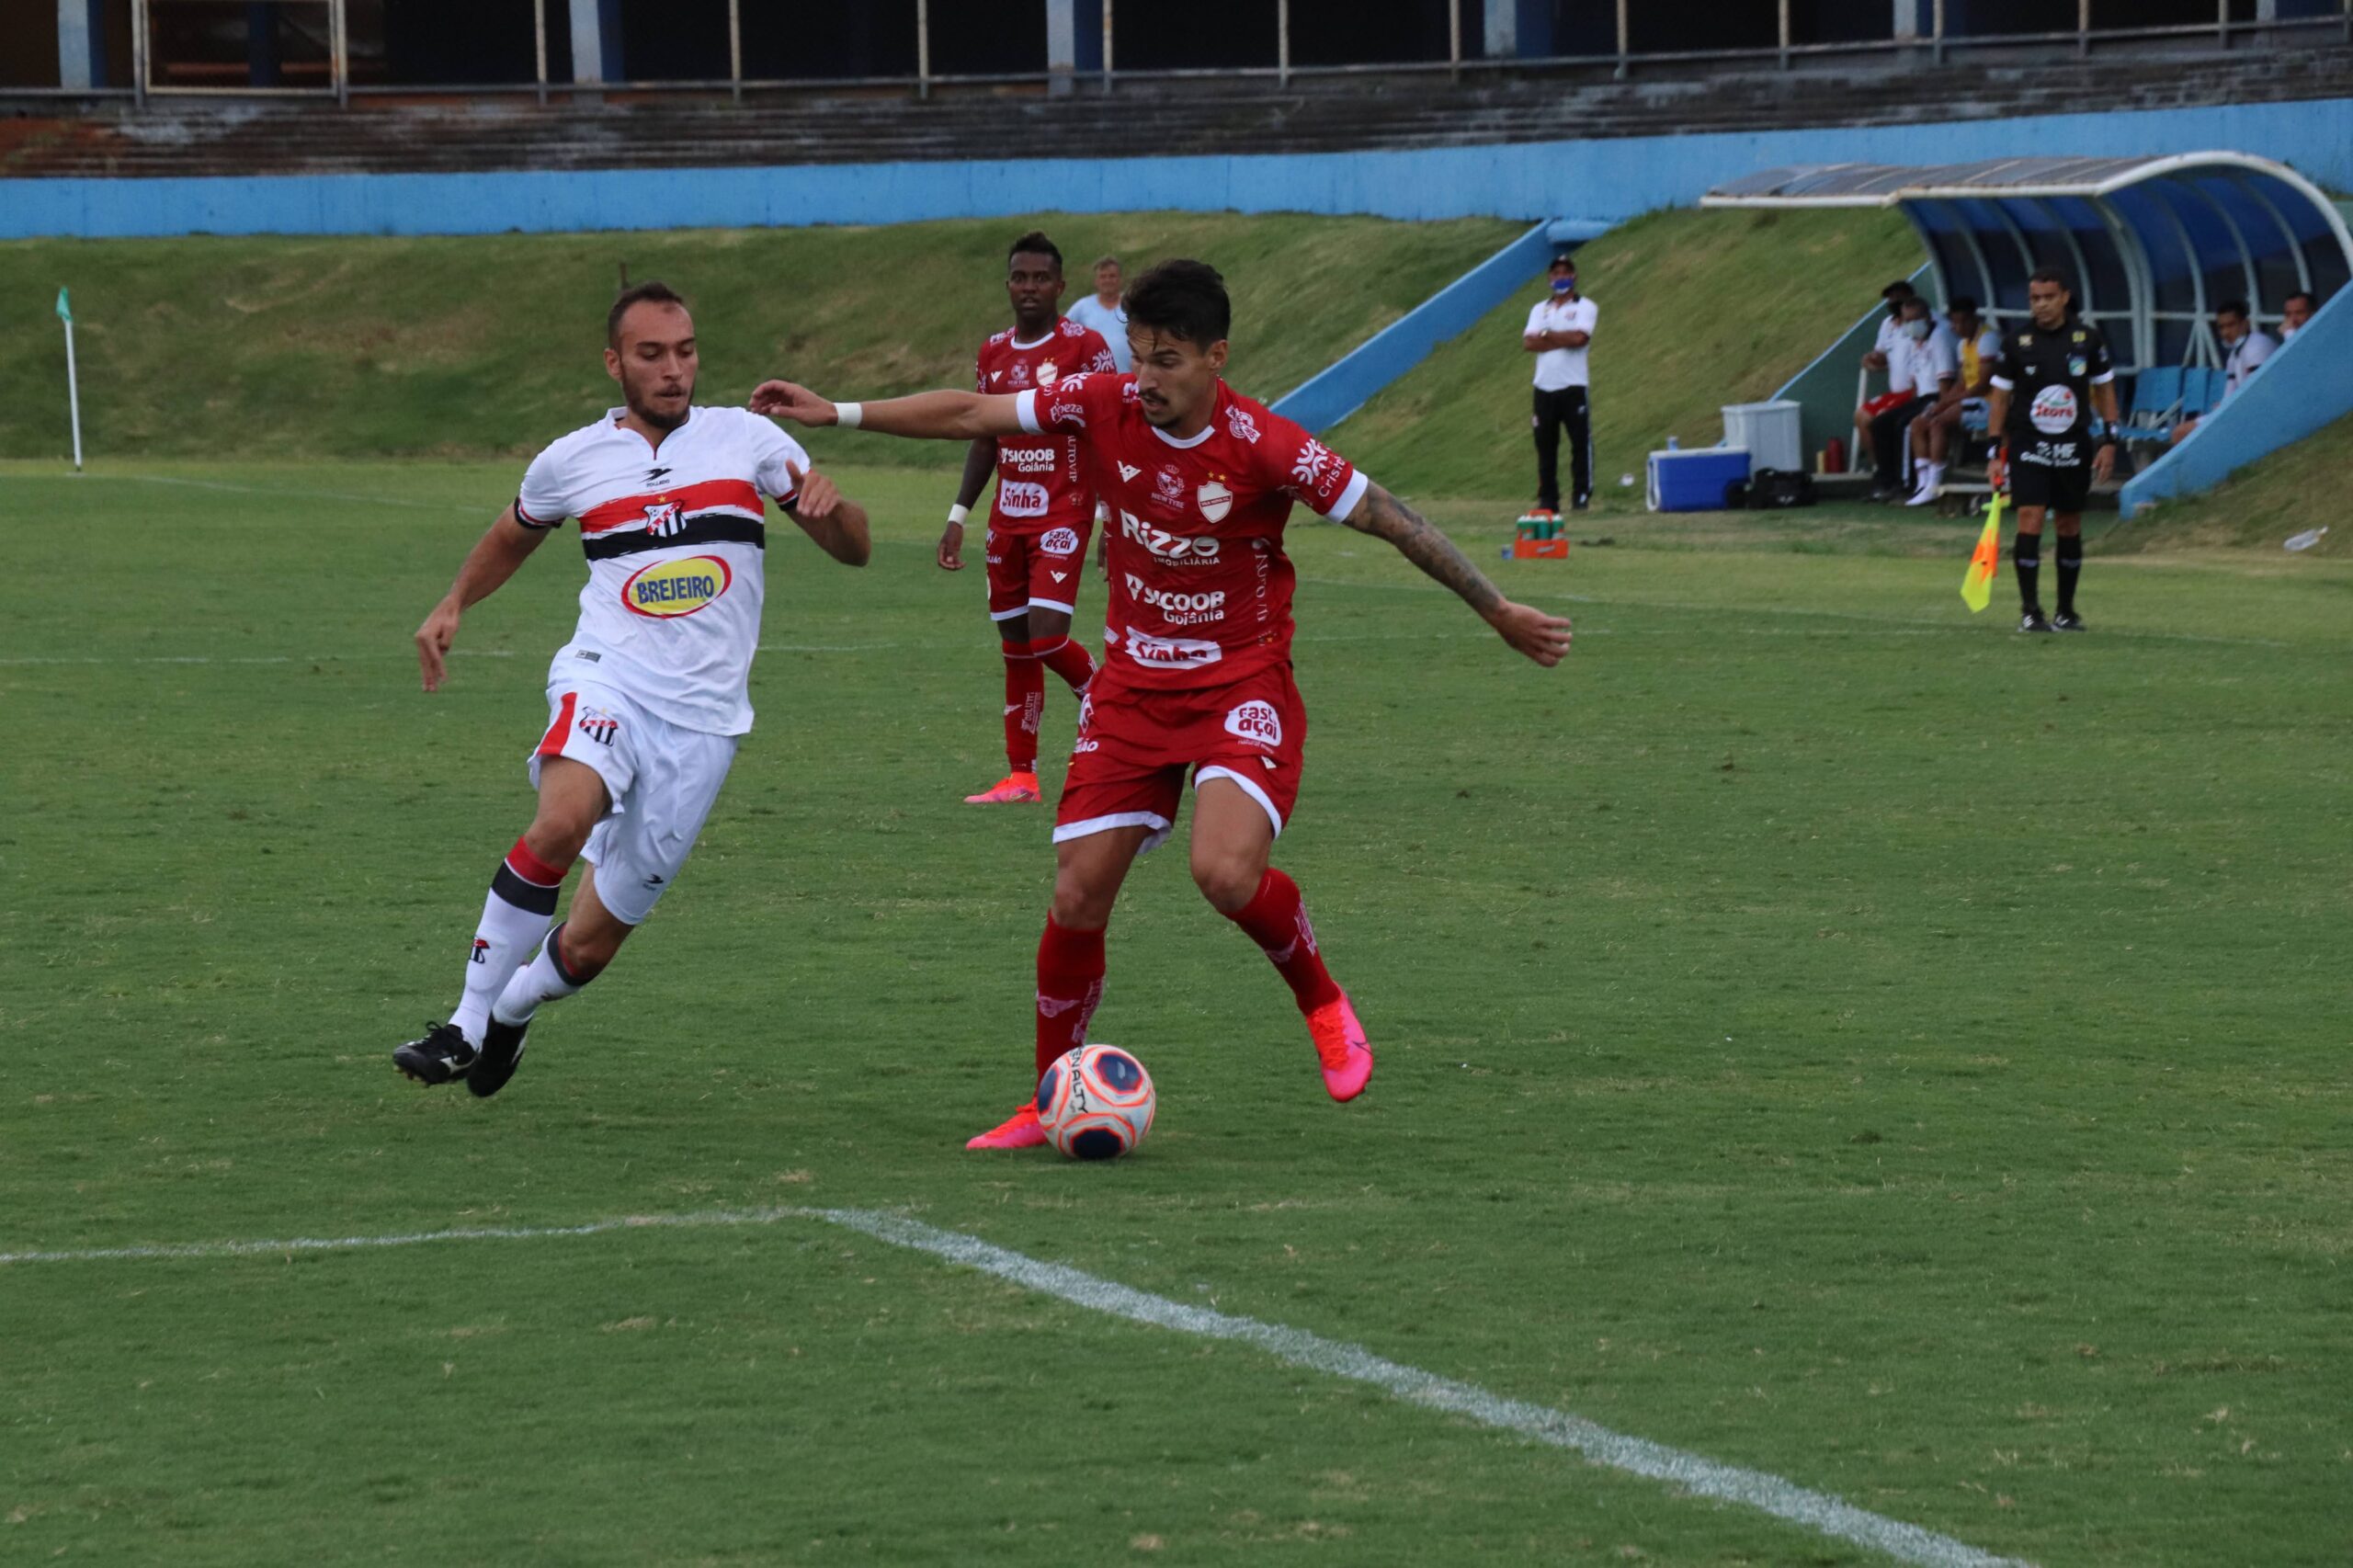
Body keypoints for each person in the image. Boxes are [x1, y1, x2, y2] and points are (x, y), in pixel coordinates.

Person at [751, 259, 1573, 1149]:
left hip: (1238, 685)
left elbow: (1387, 513)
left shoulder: (1265, 444)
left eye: (1169, 360)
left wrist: (1496, 608)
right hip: (1133, 690)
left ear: (1216, 357)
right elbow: (970, 412)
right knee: (1075, 896)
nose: (1147, 379)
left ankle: (1321, 997)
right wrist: (835, 412)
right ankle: (1046, 1098)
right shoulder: (1100, 403)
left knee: (1222, 874)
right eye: (1140, 356)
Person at [393, 281, 871, 1094]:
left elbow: (854, 550)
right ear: (615, 362)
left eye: (685, 352)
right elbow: (514, 533)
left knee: (587, 948)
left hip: (706, 723)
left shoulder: (748, 440)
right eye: (652, 354)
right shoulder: (571, 459)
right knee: (560, 820)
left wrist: (831, 507)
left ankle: (514, 1007)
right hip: (606, 676)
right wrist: (453, 602)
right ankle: (465, 1025)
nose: (674, 370)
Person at [939, 232, 1120, 805]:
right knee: (1015, 644)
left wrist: (1112, 517)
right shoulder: (992, 353)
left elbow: (1111, 435)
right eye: (1020, 277)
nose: (1029, 287)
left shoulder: (1086, 347)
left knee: (1047, 637)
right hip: (1006, 519)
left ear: (1061, 287)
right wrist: (958, 513)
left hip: (1065, 512)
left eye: (1041, 278)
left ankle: (1107, 701)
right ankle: (1021, 776)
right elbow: (984, 436)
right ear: (1009, 284)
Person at [1986, 268, 2120, 634]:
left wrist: (2110, 440)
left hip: (2072, 445)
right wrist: (1994, 451)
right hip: (2029, 444)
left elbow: (2104, 390)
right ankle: (2030, 611)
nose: (2041, 305)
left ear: (2064, 297)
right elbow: (1999, 399)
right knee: (2030, 516)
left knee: (2069, 522)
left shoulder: (2087, 340)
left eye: (2047, 297)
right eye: (2034, 298)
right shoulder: (2017, 342)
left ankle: (2066, 611)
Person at [1906, 296, 2003, 505]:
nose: (1958, 327)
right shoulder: (1962, 345)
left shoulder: (1988, 340)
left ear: (1973, 319)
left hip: (1989, 403)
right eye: (1954, 322)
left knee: (1938, 422)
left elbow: (1982, 386)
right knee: (1918, 422)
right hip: (1971, 401)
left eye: (1963, 321)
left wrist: (1943, 407)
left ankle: (1934, 484)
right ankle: (1922, 483)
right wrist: (1941, 404)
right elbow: (1961, 383)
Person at [1523, 252, 1597, 514]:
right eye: (1556, 274)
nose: (1561, 277)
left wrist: (1547, 335)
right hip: (1544, 386)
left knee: (1579, 444)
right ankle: (1548, 499)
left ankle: (1581, 496)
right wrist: (1555, 337)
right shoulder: (1539, 309)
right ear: (1549, 278)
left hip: (1573, 385)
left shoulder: (1584, 306)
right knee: (1545, 446)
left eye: (1566, 273)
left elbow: (1580, 339)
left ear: (1574, 276)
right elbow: (1529, 342)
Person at [1870, 296, 1952, 501]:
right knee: (1879, 423)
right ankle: (1885, 481)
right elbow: (1915, 378)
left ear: (1926, 317)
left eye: (1914, 319)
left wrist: (1941, 406)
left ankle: (1909, 484)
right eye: (1906, 320)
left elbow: (1945, 380)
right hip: (1919, 399)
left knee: (1905, 426)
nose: (1909, 325)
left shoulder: (1939, 338)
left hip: (1935, 397)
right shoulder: (1916, 341)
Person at [2168, 299, 2279, 446]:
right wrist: (2223, 407)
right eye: (2221, 327)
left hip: (2259, 414)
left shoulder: (2257, 345)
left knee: (2182, 433)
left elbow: (2257, 391)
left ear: (2245, 323)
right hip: (2240, 412)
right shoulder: (2234, 355)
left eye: (2231, 325)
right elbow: (2230, 391)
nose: (2226, 332)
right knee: (2180, 432)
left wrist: (2227, 410)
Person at [1853, 278, 1918, 471]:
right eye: (1890, 300)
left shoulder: (1918, 324)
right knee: (1861, 415)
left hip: (1914, 391)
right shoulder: (1888, 324)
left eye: (1898, 298)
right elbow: (1881, 355)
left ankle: (1888, 471)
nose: (1893, 304)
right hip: (1896, 392)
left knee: (1877, 419)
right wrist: (1871, 359)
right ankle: (1878, 468)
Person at [1065, 255, 1131, 372]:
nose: (1107, 280)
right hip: (1094, 380)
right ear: (1096, 281)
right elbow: (1063, 332)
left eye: (1112, 276)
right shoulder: (1082, 307)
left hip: (1129, 377)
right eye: (1103, 277)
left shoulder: (1132, 304)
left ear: (1120, 279)